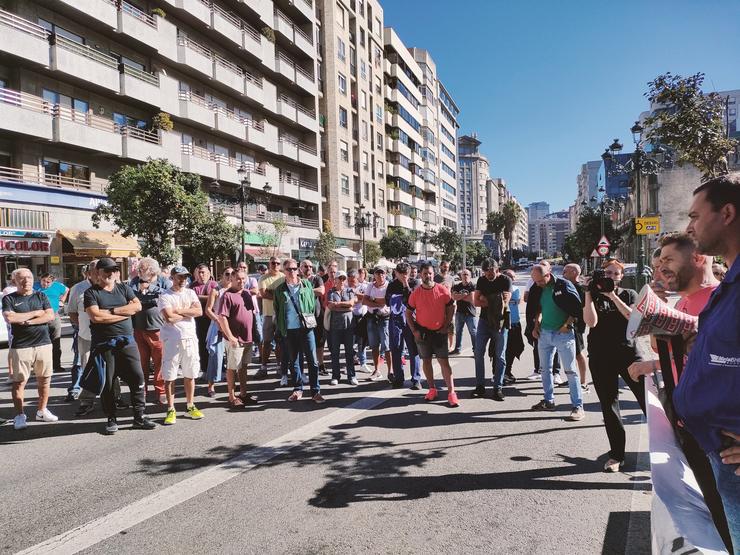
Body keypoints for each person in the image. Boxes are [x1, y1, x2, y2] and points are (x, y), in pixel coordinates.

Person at [670, 175, 740, 549]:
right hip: (723, 454)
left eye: (695, 216)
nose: (689, 227)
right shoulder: (731, 284)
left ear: (726, 213)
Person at [582, 259, 644, 472]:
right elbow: (591, 322)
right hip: (601, 356)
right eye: (607, 273)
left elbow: (632, 318)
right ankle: (617, 455)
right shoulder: (594, 296)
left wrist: (613, 295)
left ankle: (670, 449)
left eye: (615, 273)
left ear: (621, 275)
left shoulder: (629, 294)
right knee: (609, 406)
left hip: (629, 355)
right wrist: (589, 293)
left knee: (648, 402)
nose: (610, 277)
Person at [84, 258, 156, 434]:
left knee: (138, 378)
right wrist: (125, 313)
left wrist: (112, 311)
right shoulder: (91, 293)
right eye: (106, 271)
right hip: (104, 344)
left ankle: (139, 417)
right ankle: (111, 418)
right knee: (108, 383)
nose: (110, 274)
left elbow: (137, 306)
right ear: (98, 273)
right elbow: (96, 317)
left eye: (113, 270)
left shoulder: (124, 288)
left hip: (127, 341)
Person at [3, 268, 57, 430]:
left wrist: (27, 321)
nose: (26, 281)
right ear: (15, 281)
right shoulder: (9, 298)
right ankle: (20, 415)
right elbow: (10, 317)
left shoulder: (41, 295)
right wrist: (35, 313)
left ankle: (42, 410)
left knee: (45, 379)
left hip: (44, 343)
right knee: (19, 382)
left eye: (29, 277)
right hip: (21, 346)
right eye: (22, 278)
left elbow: (49, 316)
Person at [529, 263, 585, 420]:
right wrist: (536, 325)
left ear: (549, 274)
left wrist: (567, 325)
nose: (538, 284)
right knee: (545, 370)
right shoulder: (538, 288)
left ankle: (577, 406)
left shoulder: (564, 285)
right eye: (535, 281)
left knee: (570, 371)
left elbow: (577, 307)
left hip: (564, 334)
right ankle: (549, 400)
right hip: (544, 333)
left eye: (540, 280)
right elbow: (538, 308)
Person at [406, 262, 459, 407]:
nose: (427, 276)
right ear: (420, 275)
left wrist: (446, 325)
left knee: (444, 362)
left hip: (439, 332)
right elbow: (408, 313)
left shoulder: (442, 290)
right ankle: (432, 389)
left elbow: (451, 308)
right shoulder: (415, 293)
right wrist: (414, 331)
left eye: (430, 273)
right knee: (426, 361)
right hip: (423, 334)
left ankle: (451, 393)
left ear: (433, 273)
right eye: (425, 273)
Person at [158, 266, 205, 425]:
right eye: (180, 277)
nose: (183, 280)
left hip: (190, 338)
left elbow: (199, 312)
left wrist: (179, 310)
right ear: (172, 277)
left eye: (185, 276)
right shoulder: (165, 295)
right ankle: (171, 409)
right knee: (170, 375)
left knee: (190, 373)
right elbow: (169, 318)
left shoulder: (190, 293)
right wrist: (187, 313)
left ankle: (190, 405)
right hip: (172, 340)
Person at [273, 259, 324, 403]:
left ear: (298, 270)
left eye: (295, 269)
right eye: (289, 269)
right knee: (293, 362)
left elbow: (312, 305)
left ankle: (315, 391)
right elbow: (277, 309)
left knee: (313, 361)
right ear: (284, 271)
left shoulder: (306, 284)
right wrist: (281, 327)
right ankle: (297, 389)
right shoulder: (279, 290)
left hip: (306, 329)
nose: (292, 271)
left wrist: (309, 319)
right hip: (289, 330)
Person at [472, 259, 512, 401]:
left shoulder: (505, 280)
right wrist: (493, 299)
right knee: (478, 353)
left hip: (500, 322)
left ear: (497, 269)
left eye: (491, 271)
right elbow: (475, 301)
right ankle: (480, 386)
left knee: (500, 355)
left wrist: (486, 298)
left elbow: (505, 302)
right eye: (486, 271)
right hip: (484, 321)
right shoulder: (481, 281)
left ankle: (498, 388)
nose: (489, 274)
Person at [218, 269, 257, 408]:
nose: (241, 281)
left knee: (243, 367)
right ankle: (231, 396)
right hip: (235, 339)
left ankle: (243, 394)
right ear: (232, 280)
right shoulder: (227, 295)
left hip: (247, 338)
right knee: (232, 368)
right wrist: (230, 336)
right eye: (238, 279)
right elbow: (222, 317)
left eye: (243, 278)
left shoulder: (247, 293)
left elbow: (250, 314)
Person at [129, 257, 166, 405]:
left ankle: (161, 391)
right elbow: (131, 295)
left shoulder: (163, 280)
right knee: (140, 363)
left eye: (141, 269)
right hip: (138, 328)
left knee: (160, 363)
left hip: (158, 329)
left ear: (150, 271)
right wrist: (149, 297)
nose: (139, 272)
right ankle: (142, 392)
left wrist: (149, 290)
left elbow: (167, 294)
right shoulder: (135, 281)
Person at [385, 262, 422, 390]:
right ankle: (398, 378)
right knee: (396, 349)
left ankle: (416, 379)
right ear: (397, 273)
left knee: (413, 350)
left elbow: (413, 300)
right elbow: (386, 301)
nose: (403, 276)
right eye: (401, 274)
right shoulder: (391, 285)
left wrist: (406, 284)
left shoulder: (415, 283)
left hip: (411, 320)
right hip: (395, 320)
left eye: (406, 274)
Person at [524, 260, 561, 382]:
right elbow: (532, 306)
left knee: (555, 349)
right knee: (538, 347)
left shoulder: (558, 284)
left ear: (548, 272)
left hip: (555, 325)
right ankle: (538, 370)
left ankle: (556, 373)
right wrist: (533, 325)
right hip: (538, 323)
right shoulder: (534, 285)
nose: (538, 283)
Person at [65, 260, 98, 402]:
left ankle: (114, 397)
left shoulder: (111, 287)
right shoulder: (78, 289)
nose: (99, 274)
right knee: (84, 366)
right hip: (85, 335)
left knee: (110, 367)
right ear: (88, 273)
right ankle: (85, 398)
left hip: (107, 334)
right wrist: (82, 325)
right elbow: (72, 312)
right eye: (96, 271)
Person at [204, 267, 233, 397]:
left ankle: (232, 385)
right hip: (217, 326)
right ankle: (211, 386)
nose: (229, 276)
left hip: (232, 326)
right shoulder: (216, 290)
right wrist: (218, 321)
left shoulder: (235, 289)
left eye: (232, 274)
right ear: (222, 275)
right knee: (215, 355)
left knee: (233, 356)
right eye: (227, 273)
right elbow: (208, 310)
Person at [562, 263, 590, 393]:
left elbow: (579, 309)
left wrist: (569, 322)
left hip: (576, 325)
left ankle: (583, 382)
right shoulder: (568, 286)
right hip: (566, 324)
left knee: (578, 353)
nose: (563, 274)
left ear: (574, 272)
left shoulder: (581, 288)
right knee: (570, 354)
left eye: (565, 271)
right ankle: (573, 378)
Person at [327, 271, 357, 386]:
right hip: (335, 326)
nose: (342, 280)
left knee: (349, 352)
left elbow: (351, 303)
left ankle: (351, 375)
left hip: (348, 326)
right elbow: (330, 306)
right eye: (340, 278)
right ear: (335, 280)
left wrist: (338, 304)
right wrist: (346, 306)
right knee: (335, 352)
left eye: (344, 278)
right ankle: (335, 376)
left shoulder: (350, 291)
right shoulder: (331, 291)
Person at [34, 272, 68, 373]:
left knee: (56, 341)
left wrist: (62, 300)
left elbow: (67, 289)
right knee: (39, 342)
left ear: (53, 282)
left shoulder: (57, 286)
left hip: (54, 315)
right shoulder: (34, 286)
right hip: (40, 315)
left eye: (48, 282)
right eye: (43, 281)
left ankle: (57, 365)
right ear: (40, 279)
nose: (45, 284)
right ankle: (38, 367)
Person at [363, 267, 392, 381]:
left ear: (385, 274)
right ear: (374, 275)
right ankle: (377, 370)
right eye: (378, 273)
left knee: (387, 346)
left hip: (384, 318)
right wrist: (377, 302)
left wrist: (373, 300)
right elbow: (364, 301)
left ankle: (390, 371)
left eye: (382, 273)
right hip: (372, 318)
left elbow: (386, 302)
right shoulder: (370, 286)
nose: (380, 275)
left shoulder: (389, 286)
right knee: (374, 346)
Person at [190, 264, 218, 379]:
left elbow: (216, 297)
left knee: (214, 344)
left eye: (204, 272)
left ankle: (218, 369)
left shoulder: (214, 285)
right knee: (201, 344)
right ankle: (205, 369)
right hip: (198, 320)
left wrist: (198, 297)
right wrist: (206, 297)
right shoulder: (192, 286)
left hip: (212, 319)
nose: (201, 275)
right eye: (199, 272)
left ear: (209, 273)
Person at [258, 257, 284, 376]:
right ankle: (264, 367)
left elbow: (285, 293)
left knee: (280, 341)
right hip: (268, 314)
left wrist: (271, 292)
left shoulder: (283, 277)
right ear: (269, 264)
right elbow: (263, 293)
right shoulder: (263, 277)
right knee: (267, 342)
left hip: (280, 314)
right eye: (273, 263)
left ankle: (280, 365)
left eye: (278, 263)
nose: (275, 265)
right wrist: (277, 295)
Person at [502, 269, 524, 384]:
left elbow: (518, 301)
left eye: (514, 276)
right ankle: (500, 373)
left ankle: (507, 370)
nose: (513, 278)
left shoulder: (515, 289)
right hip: (503, 323)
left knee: (516, 348)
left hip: (515, 322)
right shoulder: (500, 289)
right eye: (510, 276)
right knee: (502, 350)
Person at [450, 268, 477, 356]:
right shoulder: (457, 286)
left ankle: (476, 350)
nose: (465, 276)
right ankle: (457, 349)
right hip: (459, 313)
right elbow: (454, 297)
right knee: (458, 331)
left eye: (467, 275)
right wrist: (464, 295)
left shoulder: (473, 285)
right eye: (463, 274)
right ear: (461, 276)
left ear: (470, 276)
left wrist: (460, 296)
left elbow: (472, 299)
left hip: (470, 313)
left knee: (473, 332)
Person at [347, 269, 370, 373]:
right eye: (350, 281)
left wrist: (355, 295)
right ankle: (351, 362)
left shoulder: (364, 287)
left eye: (354, 280)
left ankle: (363, 363)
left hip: (362, 317)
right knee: (349, 342)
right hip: (350, 317)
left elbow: (366, 298)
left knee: (362, 343)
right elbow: (348, 301)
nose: (352, 283)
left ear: (357, 279)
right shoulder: (346, 288)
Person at [434, 260, 456, 349]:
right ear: (440, 267)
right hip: (438, 306)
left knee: (451, 326)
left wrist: (455, 303)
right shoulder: (435, 278)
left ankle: (451, 346)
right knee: (439, 326)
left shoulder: (451, 278)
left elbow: (453, 292)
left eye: (447, 267)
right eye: (444, 267)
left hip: (449, 306)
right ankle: (442, 346)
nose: (446, 269)